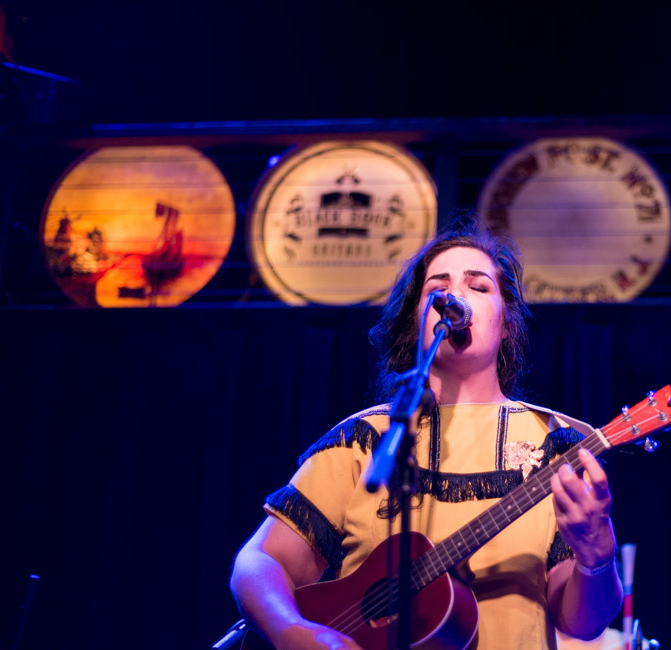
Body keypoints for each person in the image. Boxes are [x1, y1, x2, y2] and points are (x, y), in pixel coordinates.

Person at [230, 221, 622, 649]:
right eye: (439, 287)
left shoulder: (555, 444)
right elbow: (260, 561)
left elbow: (583, 625)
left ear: (507, 323)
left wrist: (596, 556)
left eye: (479, 286)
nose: (455, 296)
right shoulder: (364, 438)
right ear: (418, 318)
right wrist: (292, 631)